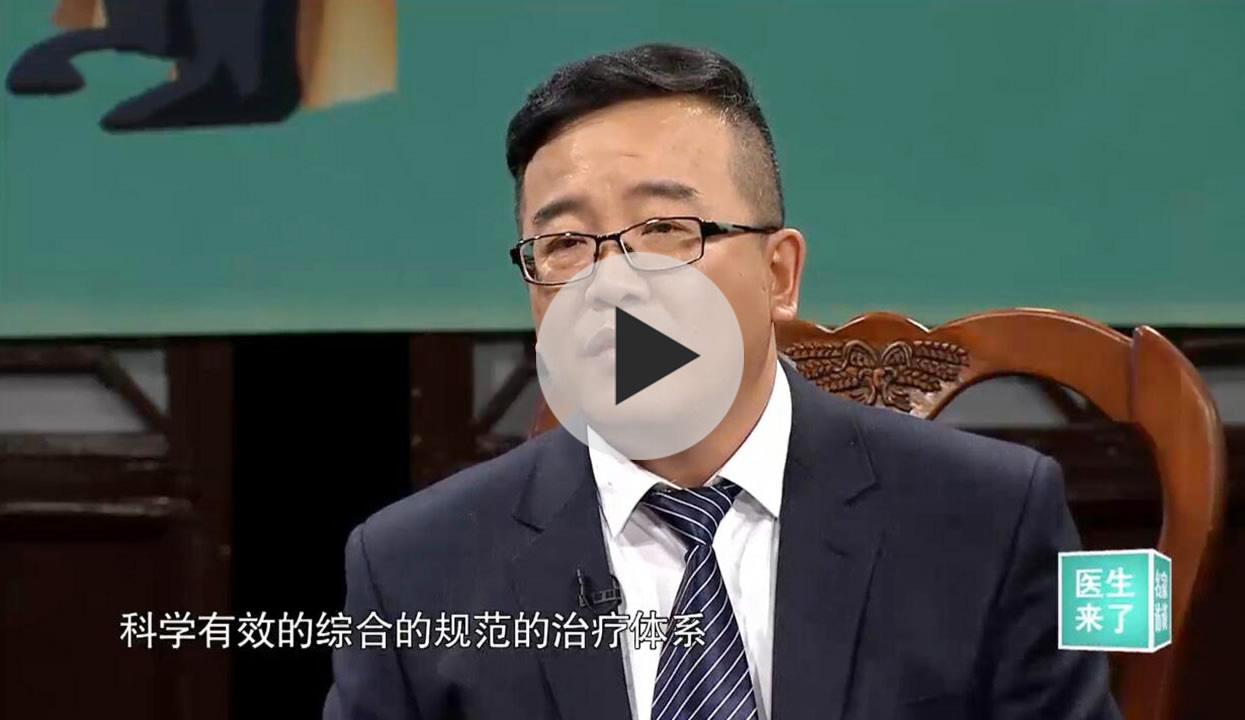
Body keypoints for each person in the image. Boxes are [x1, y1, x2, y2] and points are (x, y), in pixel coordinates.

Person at [324, 43, 1121, 720]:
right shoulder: (412, 571)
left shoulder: (988, 519)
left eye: (665, 229)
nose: (612, 282)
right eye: (563, 243)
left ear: (779, 274)